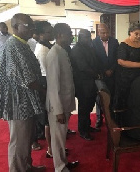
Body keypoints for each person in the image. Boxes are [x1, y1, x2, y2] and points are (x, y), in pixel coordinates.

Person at [0, 13, 46, 172]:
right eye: (27, 25)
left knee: (26, 138)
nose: (31, 28)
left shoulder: (22, 43)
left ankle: (27, 167)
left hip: (25, 100)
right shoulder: (14, 46)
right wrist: (45, 90)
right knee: (19, 140)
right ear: (15, 27)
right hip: (18, 102)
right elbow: (28, 79)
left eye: (31, 25)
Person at [46, 23, 78, 171]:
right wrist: (58, 110)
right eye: (68, 33)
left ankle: (63, 163)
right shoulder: (54, 54)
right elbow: (53, 86)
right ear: (59, 35)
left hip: (65, 102)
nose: (71, 36)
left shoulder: (62, 51)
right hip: (57, 106)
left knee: (61, 137)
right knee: (58, 139)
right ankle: (59, 168)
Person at [71, 29, 101, 141]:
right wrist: (96, 75)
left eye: (89, 37)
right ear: (80, 37)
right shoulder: (77, 50)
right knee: (84, 108)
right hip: (82, 84)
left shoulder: (88, 47)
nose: (89, 39)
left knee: (89, 106)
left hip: (90, 83)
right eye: (86, 37)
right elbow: (83, 67)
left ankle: (87, 126)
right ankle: (83, 131)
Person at [114, 23, 140, 110]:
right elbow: (121, 61)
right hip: (126, 79)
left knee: (138, 101)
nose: (138, 36)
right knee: (126, 102)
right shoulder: (123, 45)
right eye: (136, 34)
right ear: (130, 32)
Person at [92, 23, 119, 128]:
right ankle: (99, 118)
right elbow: (94, 60)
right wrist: (104, 71)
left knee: (111, 95)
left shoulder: (114, 41)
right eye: (103, 32)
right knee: (100, 98)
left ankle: (111, 117)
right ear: (99, 33)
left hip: (113, 74)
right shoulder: (93, 43)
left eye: (107, 32)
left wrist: (112, 69)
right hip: (100, 75)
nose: (106, 34)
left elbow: (117, 58)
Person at [34, 21, 54, 157]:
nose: (51, 33)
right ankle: (51, 150)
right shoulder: (42, 50)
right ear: (41, 34)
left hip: (48, 83)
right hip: (46, 84)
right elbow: (48, 72)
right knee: (48, 120)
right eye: (48, 31)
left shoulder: (47, 46)